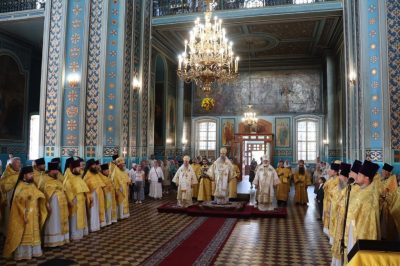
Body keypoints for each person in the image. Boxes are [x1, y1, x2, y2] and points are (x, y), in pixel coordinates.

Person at [3, 166, 48, 260]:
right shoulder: (20, 186)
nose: (32, 176)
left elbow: (37, 194)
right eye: (30, 174)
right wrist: (23, 215)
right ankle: (23, 254)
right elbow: (17, 203)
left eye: (32, 174)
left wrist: (43, 201)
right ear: (24, 175)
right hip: (25, 215)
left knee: (34, 233)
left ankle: (35, 252)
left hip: (34, 214)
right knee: (24, 234)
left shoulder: (32, 185)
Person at [345, 160, 380, 258]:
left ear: (366, 178)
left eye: (359, 175)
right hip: (352, 232)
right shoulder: (361, 191)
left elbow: (367, 226)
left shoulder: (368, 197)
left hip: (359, 236)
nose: (356, 176)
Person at [42, 162, 69, 247]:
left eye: (57, 170)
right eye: (54, 170)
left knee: (59, 220)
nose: (56, 172)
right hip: (52, 205)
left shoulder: (57, 180)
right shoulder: (44, 180)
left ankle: (61, 239)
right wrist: (46, 203)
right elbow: (43, 193)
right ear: (50, 171)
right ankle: (52, 241)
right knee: (53, 222)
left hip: (61, 206)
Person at [63, 160, 89, 241]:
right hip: (75, 202)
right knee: (75, 219)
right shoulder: (68, 179)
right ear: (73, 169)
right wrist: (71, 201)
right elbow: (67, 190)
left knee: (82, 217)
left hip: (81, 201)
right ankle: (75, 235)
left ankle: (81, 233)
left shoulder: (78, 177)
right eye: (78, 167)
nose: (80, 169)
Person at [0, 157, 21, 235]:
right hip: (9, 199)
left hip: (19, 199)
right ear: (12, 165)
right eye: (17, 164)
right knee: (9, 217)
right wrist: (15, 180)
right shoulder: (6, 174)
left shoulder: (20, 173)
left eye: (20, 163)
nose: (19, 165)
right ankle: (8, 234)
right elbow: (3, 186)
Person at [379, 163, 398, 240]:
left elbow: (389, 194)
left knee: (387, 227)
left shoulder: (392, 180)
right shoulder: (384, 179)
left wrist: (382, 194)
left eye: (383, 171)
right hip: (383, 205)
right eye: (382, 171)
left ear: (388, 172)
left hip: (388, 207)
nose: (382, 172)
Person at [323, 160, 341, 236]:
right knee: (327, 216)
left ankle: (331, 233)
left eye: (331, 170)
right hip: (327, 201)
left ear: (335, 172)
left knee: (331, 217)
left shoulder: (338, 180)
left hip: (332, 202)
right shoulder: (330, 179)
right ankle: (327, 230)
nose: (329, 171)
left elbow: (336, 192)